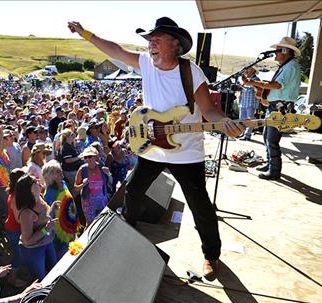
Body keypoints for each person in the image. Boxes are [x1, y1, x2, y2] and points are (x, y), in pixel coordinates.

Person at [68, 17, 244, 280]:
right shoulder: (144, 64)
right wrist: (85, 33)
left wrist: (225, 122)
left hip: (186, 153)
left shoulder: (191, 72)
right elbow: (115, 50)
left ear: (174, 43)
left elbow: (209, 110)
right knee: (134, 192)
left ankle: (211, 254)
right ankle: (128, 236)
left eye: (156, 40)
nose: (150, 45)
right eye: (149, 40)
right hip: (152, 147)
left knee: (200, 205)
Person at [243, 37, 301, 180]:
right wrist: (256, 84)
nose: (275, 53)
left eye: (277, 51)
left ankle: (274, 171)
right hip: (276, 106)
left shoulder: (291, 66)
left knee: (272, 139)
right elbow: (275, 86)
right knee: (267, 137)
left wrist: (253, 83)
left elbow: (277, 86)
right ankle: (270, 164)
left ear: (286, 51)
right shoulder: (287, 66)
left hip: (280, 107)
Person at [15, 174, 58, 280]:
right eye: (35, 180)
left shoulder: (39, 198)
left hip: (47, 243)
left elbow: (45, 217)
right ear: (29, 189)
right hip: (34, 250)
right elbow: (27, 240)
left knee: (55, 272)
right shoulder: (27, 213)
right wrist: (46, 229)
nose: (39, 180)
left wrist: (52, 208)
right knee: (41, 280)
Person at [42, 160, 79, 259]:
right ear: (50, 176)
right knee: (63, 256)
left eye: (59, 169)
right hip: (59, 231)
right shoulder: (49, 193)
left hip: (70, 223)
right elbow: (48, 215)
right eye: (57, 171)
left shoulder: (63, 183)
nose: (60, 171)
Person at [74, 147, 110, 226]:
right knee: (90, 224)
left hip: (102, 199)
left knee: (103, 221)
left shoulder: (101, 167)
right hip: (88, 200)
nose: (87, 159)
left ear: (95, 157)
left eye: (90, 156)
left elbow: (110, 182)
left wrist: (109, 175)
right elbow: (76, 188)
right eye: (85, 157)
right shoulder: (82, 169)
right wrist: (83, 184)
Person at [238, 67, 260, 141]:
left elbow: (250, 89)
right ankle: (242, 133)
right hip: (243, 102)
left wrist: (242, 85)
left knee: (249, 119)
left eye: (249, 69)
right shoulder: (244, 80)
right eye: (247, 69)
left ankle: (247, 135)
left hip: (251, 102)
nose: (247, 71)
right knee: (242, 119)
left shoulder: (256, 79)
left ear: (253, 70)